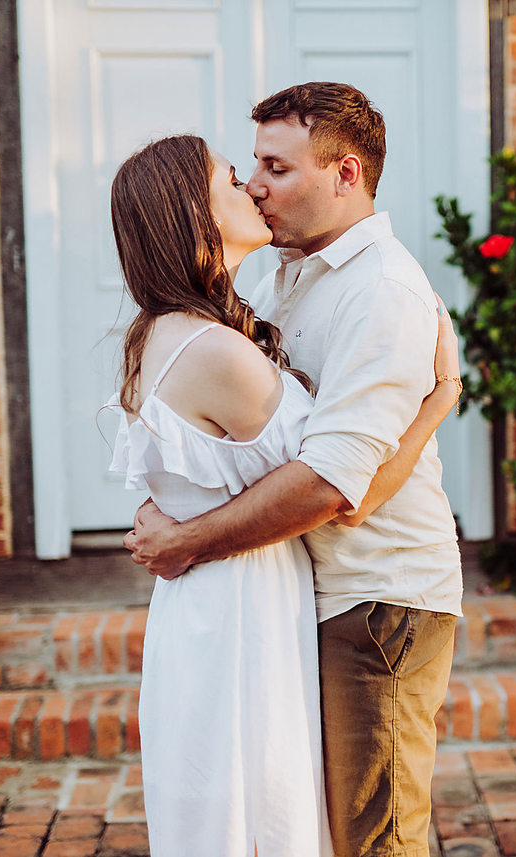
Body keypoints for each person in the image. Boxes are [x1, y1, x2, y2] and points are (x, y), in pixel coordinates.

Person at [122, 83, 464, 857]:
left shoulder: (381, 292)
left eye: (275, 167)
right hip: (306, 596)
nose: (255, 184)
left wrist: (187, 541)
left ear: (346, 174)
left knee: (376, 838)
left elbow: (333, 487)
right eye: (247, 169)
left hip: (378, 598)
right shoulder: (282, 278)